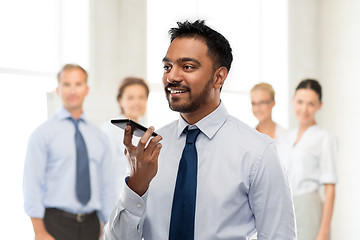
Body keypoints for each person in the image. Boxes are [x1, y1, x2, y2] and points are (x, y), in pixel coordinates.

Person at [104, 20, 296, 240]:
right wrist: (136, 186)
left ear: (219, 77)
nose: (172, 77)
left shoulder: (258, 152)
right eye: (167, 67)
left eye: (187, 67)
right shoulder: (151, 152)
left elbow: (279, 235)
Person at [23, 64, 117, 240]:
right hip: (55, 225)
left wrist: (105, 226)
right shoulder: (43, 134)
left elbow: (106, 185)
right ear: (58, 89)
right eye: (67, 84)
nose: (72, 90)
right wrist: (39, 232)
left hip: (92, 225)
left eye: (78, 84)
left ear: (86, 89)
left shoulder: (99, 137)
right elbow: (31, 184)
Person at [277, 79, 337, 240]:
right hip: (285, 208)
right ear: (293, 101)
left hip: (309, 208)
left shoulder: (324, 138)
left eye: (311, 104)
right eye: (300, 102)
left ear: (320, 105)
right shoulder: (284, 138)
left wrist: (323, 232)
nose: (304, 109)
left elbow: (330, 188)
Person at [102, 77, 150, 197]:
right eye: (130, 98)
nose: (136, 103)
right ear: (120, 101)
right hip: (117, 198)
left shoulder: (148, 131)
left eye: (141, 97)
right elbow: (105, 172)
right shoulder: (110, 129)